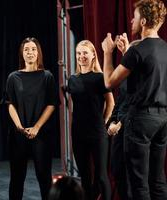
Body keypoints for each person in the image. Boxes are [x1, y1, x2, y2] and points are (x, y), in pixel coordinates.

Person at [102, 0, 167, 199]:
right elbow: (145, 72)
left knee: (139, 183)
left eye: (136, 16)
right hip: (162, 118)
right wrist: (126, 53)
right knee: (157, 180)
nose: (132, 19)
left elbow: (110, 83)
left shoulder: (137, 50)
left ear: (144, 21)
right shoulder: (164, 48)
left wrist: (107, 53)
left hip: (140, 120)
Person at [5, 37, 56, 200]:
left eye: (33, 49)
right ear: (22, 53)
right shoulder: (13, 77)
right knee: (17, 178)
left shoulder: (47, 76)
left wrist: (36, 127)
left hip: (41, 134)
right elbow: (9, 103)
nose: (30, 52)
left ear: (38, 52)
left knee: (44, 177)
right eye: (26, 49)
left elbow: (52, 104)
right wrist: (19, 126)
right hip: (18, 134)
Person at [67, 40, 114, 200]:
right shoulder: (72, 79)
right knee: (85, 177)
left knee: (101, 176)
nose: (81, 56)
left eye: (85, 53)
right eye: (79, 53)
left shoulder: (100, 77)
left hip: (97, 132)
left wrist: (104, 121)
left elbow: (111, 102)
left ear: (93, 54)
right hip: (78, 132)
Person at [107, 37, 141, 200]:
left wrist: (119, 124)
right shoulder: (125, 77)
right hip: (118, 130)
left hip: (132, 128)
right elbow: (119, 101)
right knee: (116, 168)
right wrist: (112, 121)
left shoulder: (144, 79)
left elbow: (137, 105)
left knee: (132, 174)